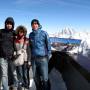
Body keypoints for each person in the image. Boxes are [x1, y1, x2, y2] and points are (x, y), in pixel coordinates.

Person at [29, 19, 51, 90]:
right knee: (35, 77)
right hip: (34, 59)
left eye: (36, 24)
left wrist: (48, 57)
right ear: (31, 25)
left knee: (45, 78)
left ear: (38, 25)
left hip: (43, 59)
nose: (34, 25)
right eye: (33, 24)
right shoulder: (30, 35)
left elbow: (49, 46)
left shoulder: (44, 33)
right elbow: (30, 47)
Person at [0, 17, 15, 90]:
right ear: (5, 24)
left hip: (12, 57)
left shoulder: (14, 32)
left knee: (13, 73)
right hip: (2, 57)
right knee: (4, 75)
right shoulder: (1, 31)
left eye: (10, 24)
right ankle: (6, 88)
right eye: (7, 23)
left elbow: (21, 37)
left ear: (12, 25)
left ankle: (13, 86)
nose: (9, 25)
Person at [14, 25, 31, 90]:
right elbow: (14, 49)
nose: (21, 33)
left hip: (26, 60)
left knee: (25, 74)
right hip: (18, 59)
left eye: (22, 31)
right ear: (18, 32)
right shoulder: (15, 40)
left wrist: (29, 60)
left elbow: (29, 50)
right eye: (20, 31)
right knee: (20, 74)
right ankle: (21, 87)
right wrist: (15, 53)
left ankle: (26, 86)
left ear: (24, 32)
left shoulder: (27, 40)